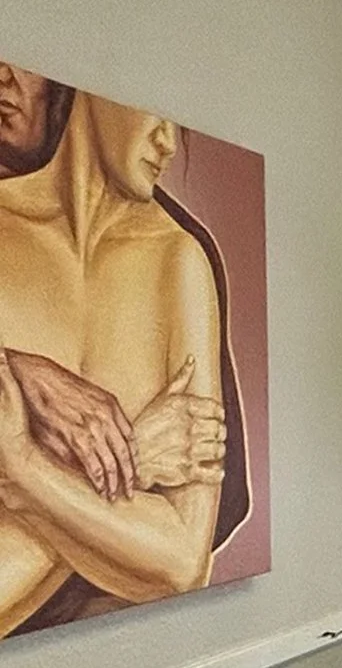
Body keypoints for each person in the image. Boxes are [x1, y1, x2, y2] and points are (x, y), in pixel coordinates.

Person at [0, 88, 228, 633]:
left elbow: (180, 561)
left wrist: (23, 473)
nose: (168, 143)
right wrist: (138, 457)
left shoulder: (179, 264)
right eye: (160, 111)